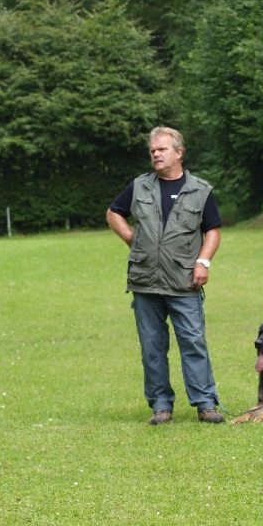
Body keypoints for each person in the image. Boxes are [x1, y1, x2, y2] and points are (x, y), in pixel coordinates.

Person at [106, 126, 225, 424]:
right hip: (145, 281)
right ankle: (161, 406)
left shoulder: (200, 190)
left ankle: (205, 403)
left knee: (193, 343)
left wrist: (203, 262)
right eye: (152, 151)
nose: (156, 154)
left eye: (161, 149)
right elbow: (113, 213)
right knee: (152, 347)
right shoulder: (139, 186)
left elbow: (212, 231)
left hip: (184, 280)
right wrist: (133, 240)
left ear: (178, 152)